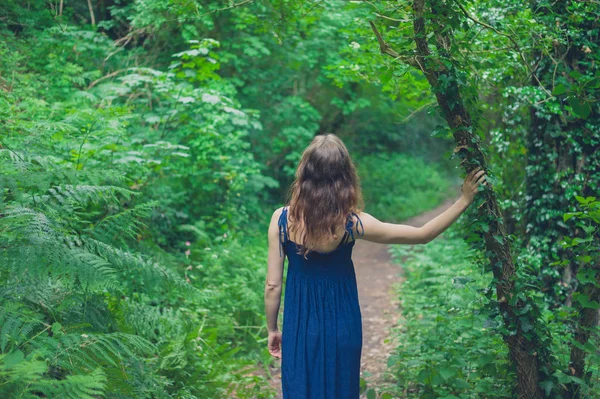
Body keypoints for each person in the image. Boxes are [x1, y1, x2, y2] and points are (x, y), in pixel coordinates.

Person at [264, 133, 487, 399]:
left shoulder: (281, 220)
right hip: (342, 324)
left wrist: (272, 329)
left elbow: (272, 286)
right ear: (345, 176)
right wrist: (463, 200)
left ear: (305, 173)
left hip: (300, 325)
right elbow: (423, 234)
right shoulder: (353, 223)